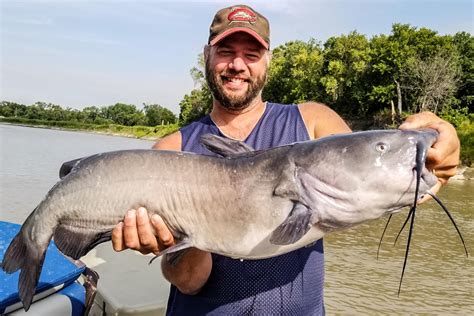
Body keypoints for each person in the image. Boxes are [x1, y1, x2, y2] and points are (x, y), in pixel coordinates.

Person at [111, 4, 460, 315]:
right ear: (206, 55)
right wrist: (178, 239)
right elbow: (188, 282)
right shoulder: (168, 152)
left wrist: (441, 161)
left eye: (251, 54)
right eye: (226, 51)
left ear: (268, 60)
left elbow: (392, 185)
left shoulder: (313, 121)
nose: (237, 65)